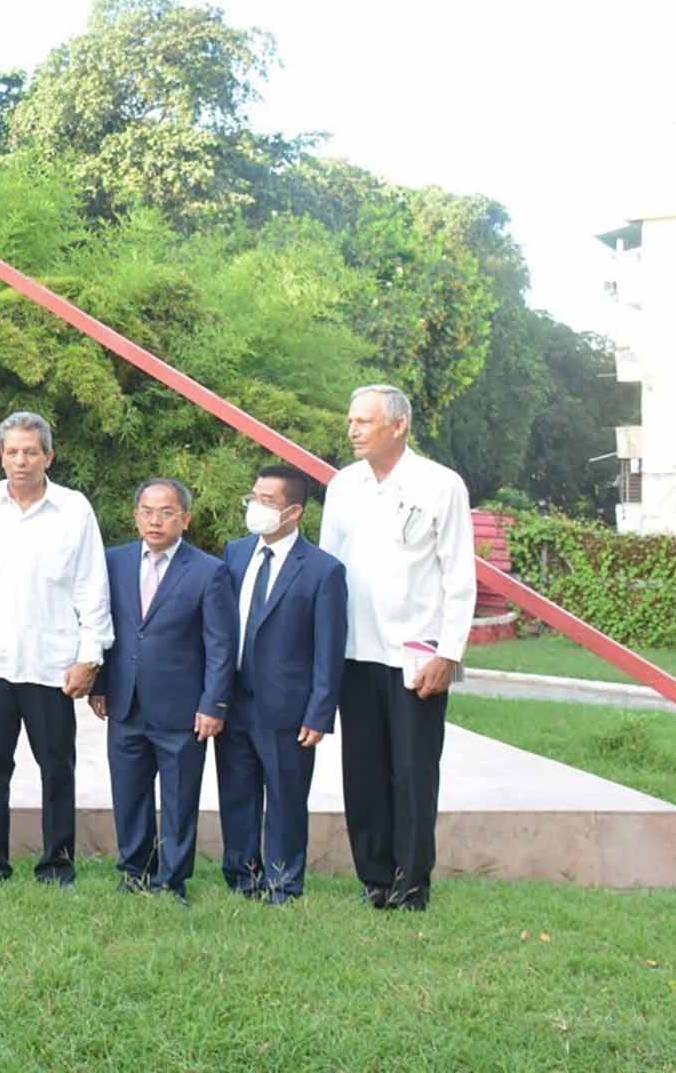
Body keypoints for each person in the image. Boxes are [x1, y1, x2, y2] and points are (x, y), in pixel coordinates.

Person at [0, 412, 112, 887]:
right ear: (1, 454)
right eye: (12, 451)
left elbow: (91, 587)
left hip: (52, 665)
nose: (21, 460)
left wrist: (89, 657)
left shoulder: (74, 509)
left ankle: (57, 864)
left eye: (30, 451)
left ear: (48, 456)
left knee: (57, 767)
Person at [320, 384, 476, 912]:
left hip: (417, 653)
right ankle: (375, 878)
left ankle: (412, 883)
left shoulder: (440, 484)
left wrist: (448, 653)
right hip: (355, 651)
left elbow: (459, 574)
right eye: (351, 421)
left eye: (364, 421)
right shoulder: (343, 486)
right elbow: (328, 570)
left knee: (413, 771)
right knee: (362, 770)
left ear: (399, 425)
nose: (353, 430)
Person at [91, 478, 235, 903]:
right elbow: (101, 627)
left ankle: (172, 879)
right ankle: (134, 871)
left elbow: (221, 645)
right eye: (147, 511)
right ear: (136, 515)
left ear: (185, 519)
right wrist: (100, 684)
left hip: (182, 708)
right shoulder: (112, 562)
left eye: (167, 512)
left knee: (178, 798)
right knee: (129, 794)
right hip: (125, 702)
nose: (156, 520)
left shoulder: (209, 571)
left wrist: (214, 703)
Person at [214, 464, 347, 904]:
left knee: (286, 796)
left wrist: (320, 711)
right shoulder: (235, 554)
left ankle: (283, 882)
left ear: (293, 512)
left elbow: (329, 646)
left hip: (287, 705)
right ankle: (241, 875)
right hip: (234, 699)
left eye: (266, 501)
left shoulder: (323, 571)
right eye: (253, 497)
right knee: (237, 792)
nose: (255, 507)